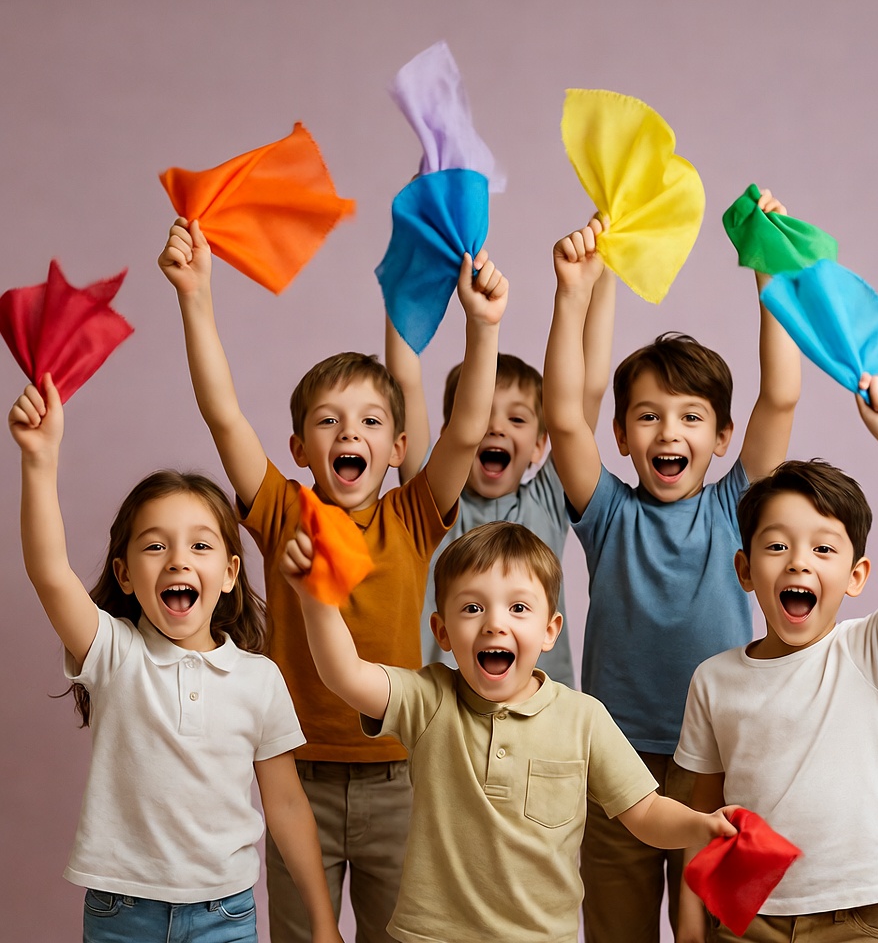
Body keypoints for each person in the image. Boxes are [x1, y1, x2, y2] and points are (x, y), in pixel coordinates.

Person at [158, 217, 507, 943]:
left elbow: (468, 431)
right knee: (300, 935)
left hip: (402, 777)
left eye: (371, 421)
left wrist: (483, 328)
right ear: (298, 447)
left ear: (397, 448)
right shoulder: (285, 509)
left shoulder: (415, 515)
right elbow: (222, 414)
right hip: (297, 779)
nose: (350, 434)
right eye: (328, 421)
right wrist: (195, 295)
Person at [542, 192, 801, 942]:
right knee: (616, 928)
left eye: (691, 416)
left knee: (718, 932)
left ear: (721, 436)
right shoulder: (608, 512)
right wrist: (571, 292)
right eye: (648, 415)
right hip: (615, 760)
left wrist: (767, 270)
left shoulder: (734, 507)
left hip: (719, 758)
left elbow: (779, 394)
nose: (668, 430)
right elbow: (563, 416)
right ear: (621, 434)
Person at [282, 518, 738, 943]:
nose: (494, 623)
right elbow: (344, 674)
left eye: (518, 607)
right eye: (472, 607)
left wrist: (701, 827)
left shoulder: (584, 718)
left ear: (549, 630)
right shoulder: (428, 699)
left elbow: (646, 813)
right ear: (441, 631)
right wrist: (316, 601)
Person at [9, 374, 341, 943]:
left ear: (231, 574)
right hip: (121, 912)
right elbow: (48, 571)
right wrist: (40, 460)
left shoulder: (259, 680)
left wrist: (322, 923)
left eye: (201, 545)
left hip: (226, 914)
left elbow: (286, 806)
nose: (178, 561)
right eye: (156, 545)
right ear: (125, 575)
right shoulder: (112, 651)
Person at [675, 374, 878, 943]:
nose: (800, 563)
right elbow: (700, 820)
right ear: (746, 570)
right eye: (777, 545)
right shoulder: (714, 680)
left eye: (823, 548)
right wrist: (688, 923)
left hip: (850, 915)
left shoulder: (868, 652)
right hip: (743, 910)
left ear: (856, 577)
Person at [386, 223, 616, 686]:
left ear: (539, 445)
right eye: (482, 415)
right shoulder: (430, 501)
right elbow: (404, 379)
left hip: (541, 730)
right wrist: (412, 237)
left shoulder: (548, 499)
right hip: (446, 724)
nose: (493, 426)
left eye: (516, 419)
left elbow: (589, 384)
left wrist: (604, 265)